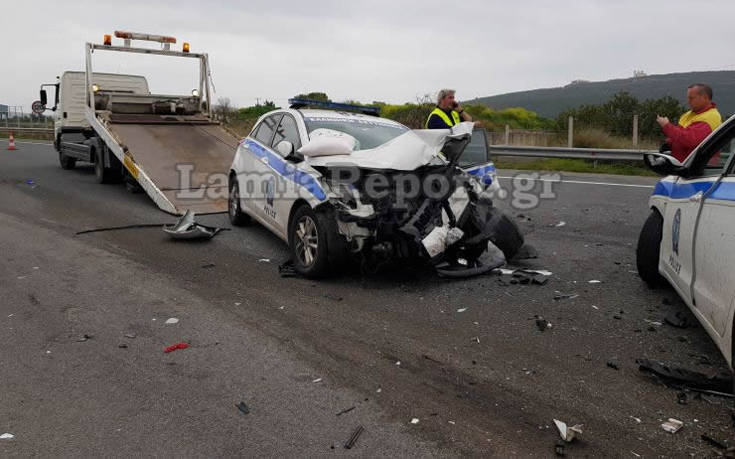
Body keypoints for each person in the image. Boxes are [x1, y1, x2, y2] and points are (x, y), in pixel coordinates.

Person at [657, 83, 722, 162]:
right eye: (688, 98)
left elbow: (688, 140)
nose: (688, 101)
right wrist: (669, 142)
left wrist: (666, 126)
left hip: (699, 168)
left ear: (705, 98)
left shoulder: (710, 117)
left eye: (692, 98)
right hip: (683, 165)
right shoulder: (688, 115)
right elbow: (680, 135)